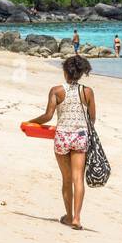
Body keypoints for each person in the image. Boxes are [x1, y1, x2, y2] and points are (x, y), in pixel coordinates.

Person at [27, 54, 96, 231]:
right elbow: (92, 118)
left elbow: (48, 115)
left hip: (62, 136)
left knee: (66, 179)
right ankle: (77, 218)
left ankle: (68, 216)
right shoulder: (87, 92)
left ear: (65, 71)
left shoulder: (56, 90)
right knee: (78, 178)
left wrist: (31, 122)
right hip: (80, 136)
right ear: (81, 73)